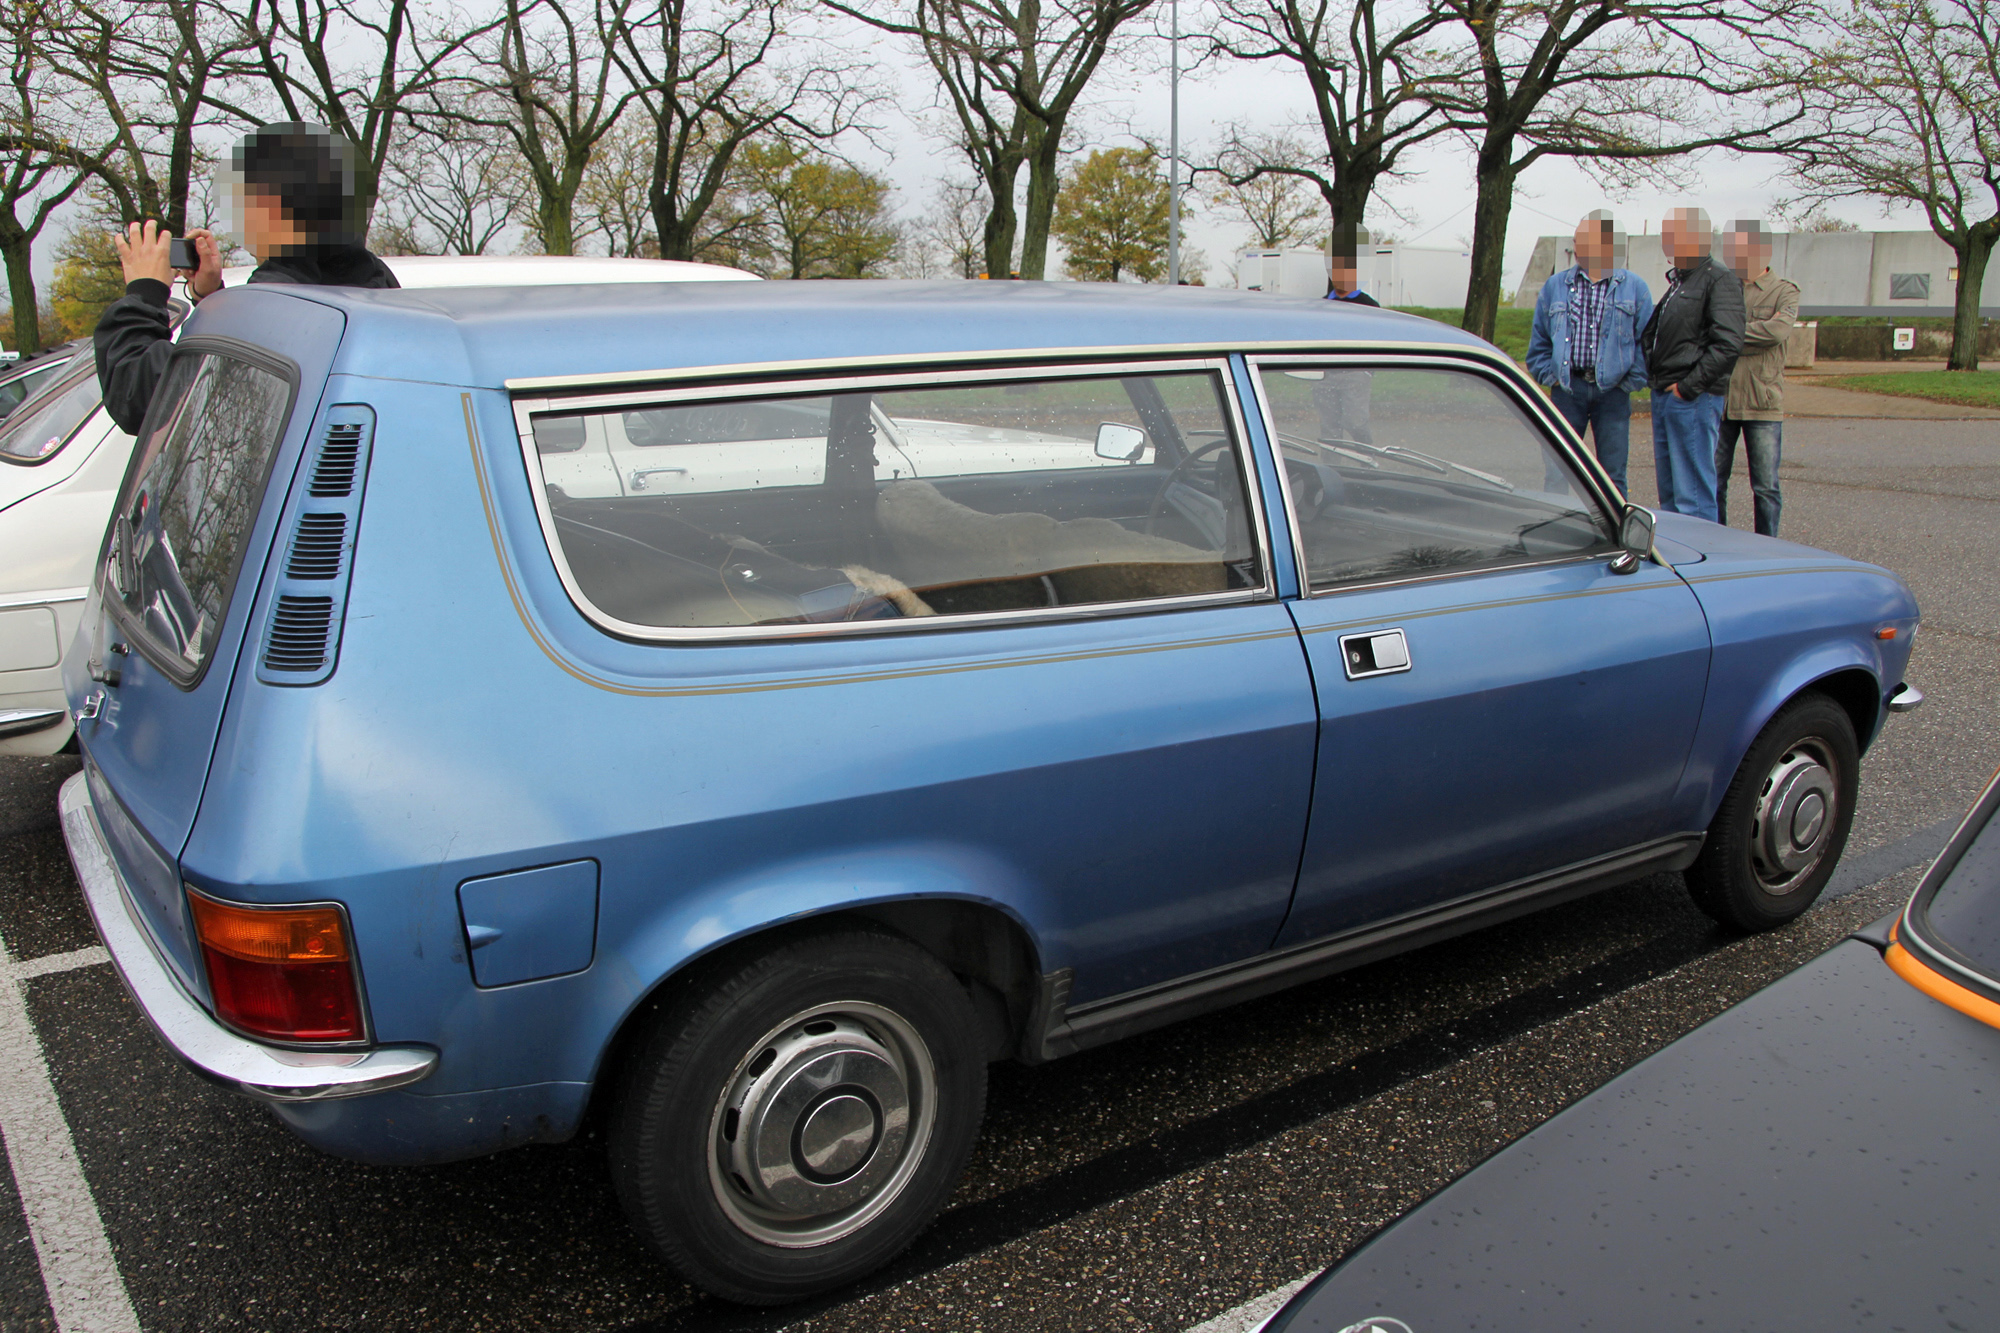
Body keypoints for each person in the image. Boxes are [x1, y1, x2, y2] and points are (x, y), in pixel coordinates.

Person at [95, 122, 399, 435]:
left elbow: (140, 398)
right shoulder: (378, 285)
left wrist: (145, 293)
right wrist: (213, 300)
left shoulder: (271, 303)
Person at [1524, 210, 1653, 494]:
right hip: (1568, 392)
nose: (1576, 246)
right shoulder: (1555, 287)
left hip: (1613, 394)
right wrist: (1552, 377)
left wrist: (1629, 383)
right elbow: (1539, 342)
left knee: (1612, 477)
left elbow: (1647, 343)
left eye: (1583, 240)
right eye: (1576, 240)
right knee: (1559, 473)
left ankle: (1614, 536)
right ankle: (1558, 534)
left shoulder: (1635, 288)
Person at [1639, 207, 1744, 523]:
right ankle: (1677, 558)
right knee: (1671, 495)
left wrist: (1687, 388)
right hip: (1666, 393)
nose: (1665, 241)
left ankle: (1700, 562)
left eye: (1672, 235)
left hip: (1692, 398)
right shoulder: (1682, 281)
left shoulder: (1719, 280)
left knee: (1693, 497)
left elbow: (1728, 344)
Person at [1716, 219, 1798, 536]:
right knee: (1714, 481)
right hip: (1722, 399)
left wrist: (1729, 335)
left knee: (1765, 486)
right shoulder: (1724, 286)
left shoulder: (1784, 292)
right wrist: (1745, 336)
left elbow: (1777, 332)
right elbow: (1708, 330)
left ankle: (1767, 547)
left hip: (1762, 403)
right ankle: (1715, 541)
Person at [1316, 222, 1378, 443]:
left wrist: (1368, 371)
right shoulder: (1321, 305)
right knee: (1329, 430)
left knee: (1355, 422)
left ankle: (1368, 462)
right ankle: (1330, 472)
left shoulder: (1368, 306)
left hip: (1355, 374)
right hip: (1326, 375)